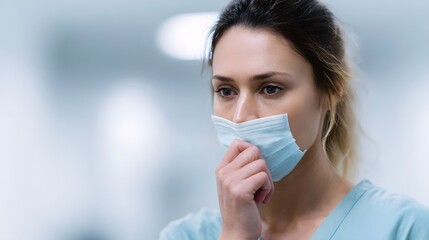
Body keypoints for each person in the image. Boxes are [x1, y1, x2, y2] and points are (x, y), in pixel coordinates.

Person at [160, 0, 429, 239]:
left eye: (270, 88)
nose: (240, 116)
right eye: (226, 91)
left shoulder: (404, 228)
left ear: (331, 92)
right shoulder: (186, 235)